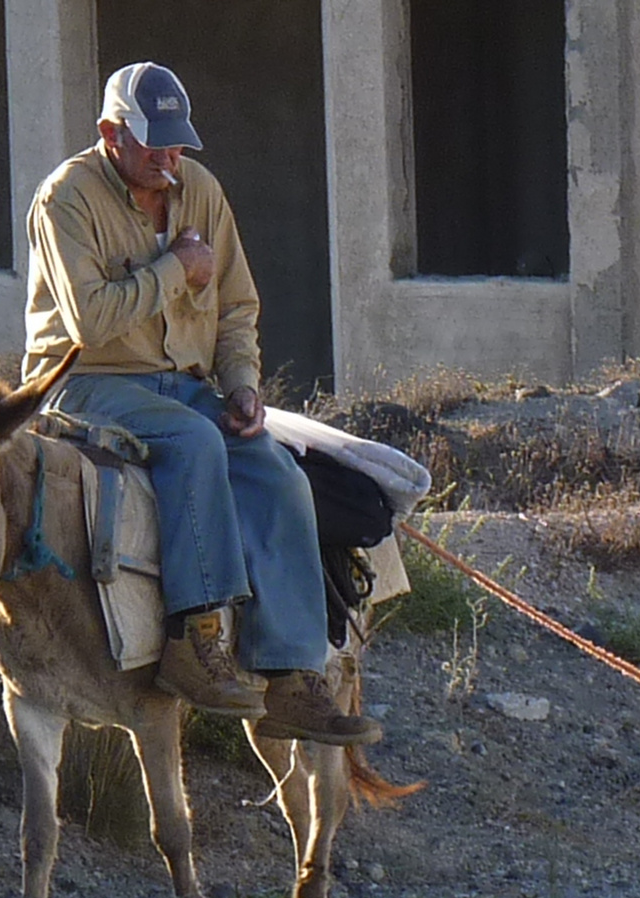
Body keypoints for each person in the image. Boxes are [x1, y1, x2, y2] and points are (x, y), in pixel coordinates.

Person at [21, 61, 380, 747]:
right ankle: (195, 636)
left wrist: (243, 384)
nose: (167, 159)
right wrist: (173, 270)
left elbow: (238, 306)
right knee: (193, 443)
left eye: (177, 143)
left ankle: (291, 675)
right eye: (152, 143)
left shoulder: (201, 193)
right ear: (109, 132)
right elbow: (90, 322)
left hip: (181, 383)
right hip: (85, 381)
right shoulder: (65, 198)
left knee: (273, 467)